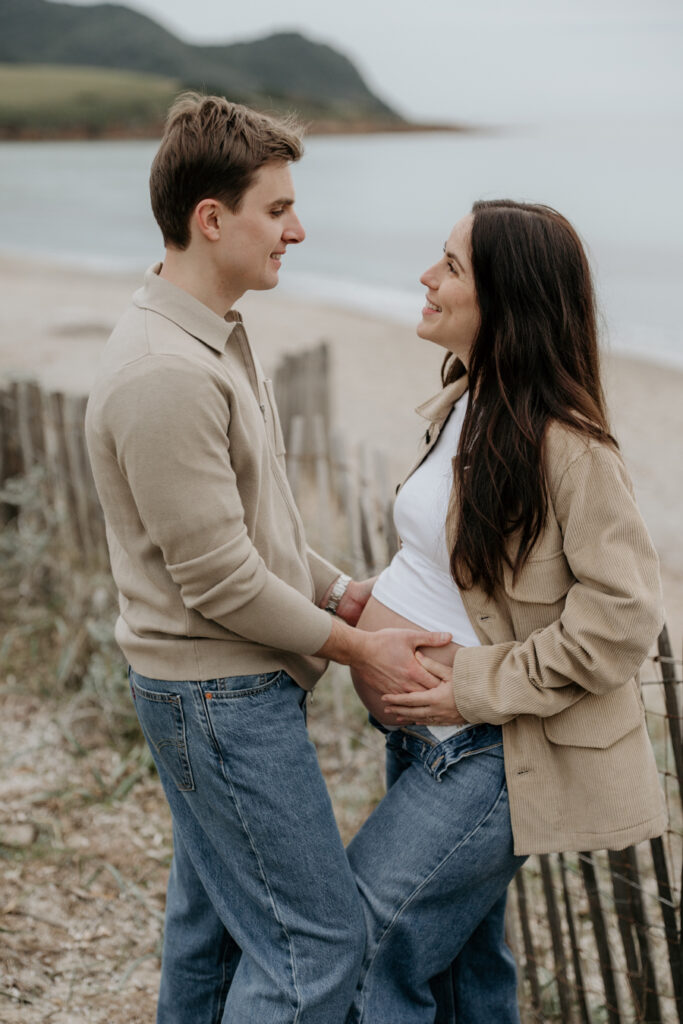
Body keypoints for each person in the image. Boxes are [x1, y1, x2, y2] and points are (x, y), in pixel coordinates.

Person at [84, 93, 450, 1024]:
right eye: (277, 209)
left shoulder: (210, 339)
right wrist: (360, 647)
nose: (297, 229)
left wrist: (341, 589)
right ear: (213, 220)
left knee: (208, 940)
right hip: (218, 699)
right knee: (315, 948)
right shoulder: (167, 372)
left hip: (215, 694)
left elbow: (251, 532)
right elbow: (218, 578)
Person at [346, 199, 667, 1024]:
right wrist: (357, 606)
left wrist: (475, 685)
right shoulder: (463, 399)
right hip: (424, 740)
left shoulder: (570, 446)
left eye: (450, 267)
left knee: (360, 942)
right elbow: (444, 566)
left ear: (508, 300)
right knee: (461, 974)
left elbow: (624, 616)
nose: (425, 278)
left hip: (494, 751)